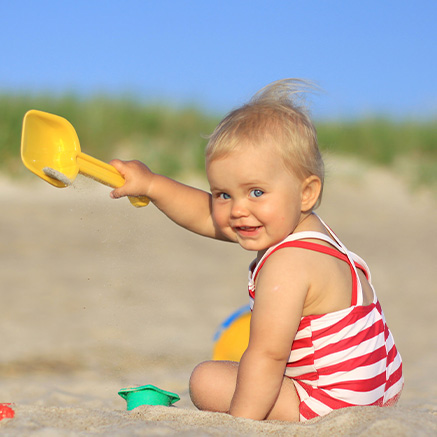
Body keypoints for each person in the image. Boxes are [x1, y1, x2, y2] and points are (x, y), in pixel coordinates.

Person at [109, 79, 403, 422]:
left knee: (207, 380)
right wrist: (151, 185)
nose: (237, 210)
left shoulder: (287, 264)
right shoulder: (307, 230)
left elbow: (268, 356)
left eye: (256, 192)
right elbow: (207, 216)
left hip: (331, 405)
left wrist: (240, 423)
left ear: (306, 192)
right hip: (380, 388)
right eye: (223, 194)